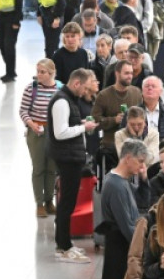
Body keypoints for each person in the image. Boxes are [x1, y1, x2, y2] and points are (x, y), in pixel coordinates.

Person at [49, 69, 99, 263]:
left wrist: (80, 122)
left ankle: (65, 244)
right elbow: (60, 132)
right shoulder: (61, 101)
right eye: (85, 87)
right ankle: (63, 246)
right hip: (67, 157)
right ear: (77, 83)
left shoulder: (69, 100)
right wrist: (82, 127)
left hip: (73, 156)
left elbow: (67, 124)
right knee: (66, 203)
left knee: (68, 202)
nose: (85, 92)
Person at [100, 139, 149, 279]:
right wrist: (143, 248)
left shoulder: (123, 182)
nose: (142, 166)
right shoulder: (116, 185)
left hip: (124, 249)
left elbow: (141, 203)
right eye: (140, 161)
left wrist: (144, 179)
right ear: (127, 158)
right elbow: (128, 226)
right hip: (121, 253)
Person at [20, 59, 61, 217]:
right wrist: (31, 124)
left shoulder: (59, 88)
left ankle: (50, 200)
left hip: (54, 132)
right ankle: (39, 203)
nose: (39, 75)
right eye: (38, 71)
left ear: (51, 73)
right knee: (38, 168)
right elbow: (23, 110)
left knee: (51, 168)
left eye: (42, 72)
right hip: (36, 132)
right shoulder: (31, 88)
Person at [93, 61, 144, 166]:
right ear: (117, 73)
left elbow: (144, 116)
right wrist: (114, 120)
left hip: (133, 145)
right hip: (110, 146)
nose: (130, 76)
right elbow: (95, 120)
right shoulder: (104, 95)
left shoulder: (137, 93)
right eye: (126, 73)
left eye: (131, 73)